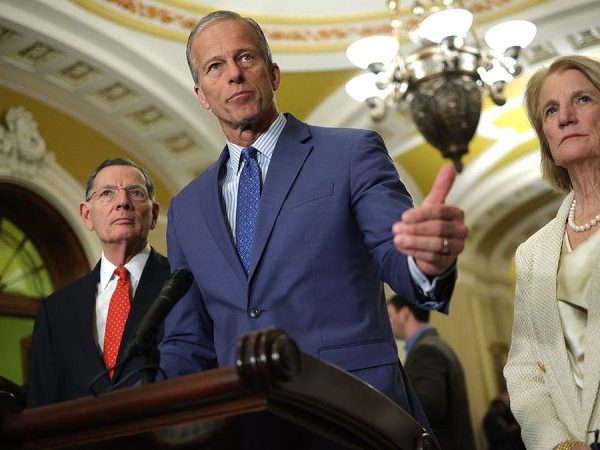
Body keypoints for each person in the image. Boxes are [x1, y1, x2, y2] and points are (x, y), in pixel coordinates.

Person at [158, 9, 468, 440]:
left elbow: (397, 252)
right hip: (248, 430)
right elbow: (187, 341)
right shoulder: (186, 209)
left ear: (273, 73)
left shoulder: (350, 153)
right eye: (215, 66)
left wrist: (427, 260)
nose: (234, 74)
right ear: (202, 95)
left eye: (245, 58)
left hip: (357, 416)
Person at [503, 55, 600, 450]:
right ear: (545, 136)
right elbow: (524, 371)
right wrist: (558, 444)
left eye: (582, 100)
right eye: (550, 110)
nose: (565, 118)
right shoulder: (531, 254)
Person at [27, 158, 170, 407]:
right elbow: (42, 402)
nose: (122, 202)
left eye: (136, 193)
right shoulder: (56, 309)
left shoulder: (185, 284)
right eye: (107, 193)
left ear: (154, 214)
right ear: (87, 215)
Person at [387, 293, 476, 450]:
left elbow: (427, 409)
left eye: (389, 315)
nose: (387, 322)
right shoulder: (436, 345)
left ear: (405, 314)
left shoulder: (425, 351)